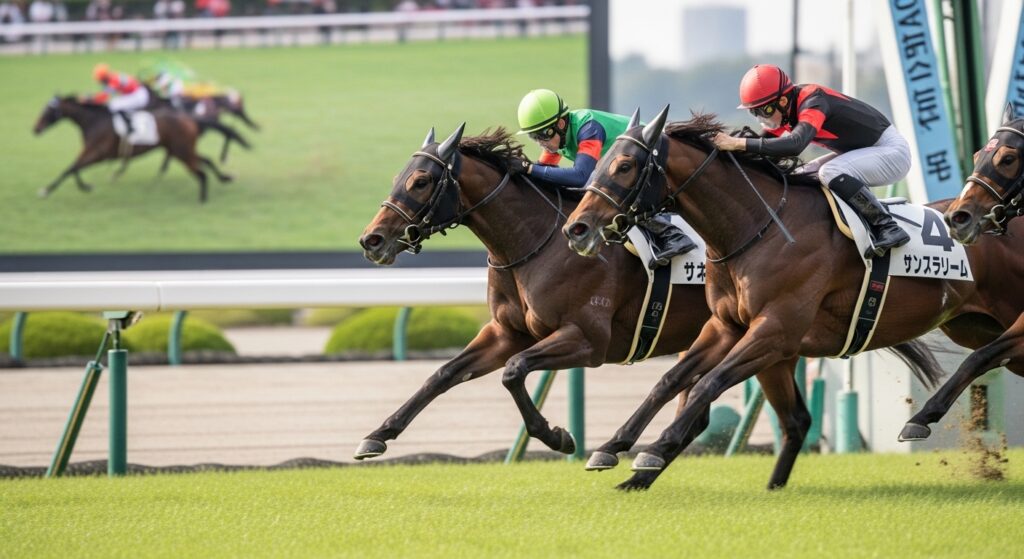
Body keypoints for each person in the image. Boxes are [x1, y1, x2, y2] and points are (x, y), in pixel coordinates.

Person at [712, 64, 910, 255]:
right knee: (800, 174)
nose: (761, 118)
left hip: (891, 151)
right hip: (863, 152)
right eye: (754, 112)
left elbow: (794, 145)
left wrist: (738, 144)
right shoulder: (786, 111)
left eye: (764, 111)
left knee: (829, 172)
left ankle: (888, 227)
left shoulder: (813, 100)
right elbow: (760, 143)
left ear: (782, 101)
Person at [514, 89, 696, 268]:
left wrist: (529, 169)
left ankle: (672, 235)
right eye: (533, 137)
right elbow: (544, 170)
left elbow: (579, 176)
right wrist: (522, 169)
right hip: (624, 167)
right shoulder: (556, 139)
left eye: (541, 135)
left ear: (560, 124)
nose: (540, 142)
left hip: (649, 158)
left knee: (595, 182)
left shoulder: (589, 128)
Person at [88, 63, 151, 136]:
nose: (100, 82)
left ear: (104, 77)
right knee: (116, 102)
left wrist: (89, 99)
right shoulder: (113, 76)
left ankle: (130, 127)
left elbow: (103, 97)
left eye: (100, 79)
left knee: (114, 105)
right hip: (136, 93)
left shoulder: (114, 80)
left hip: (138, 95)